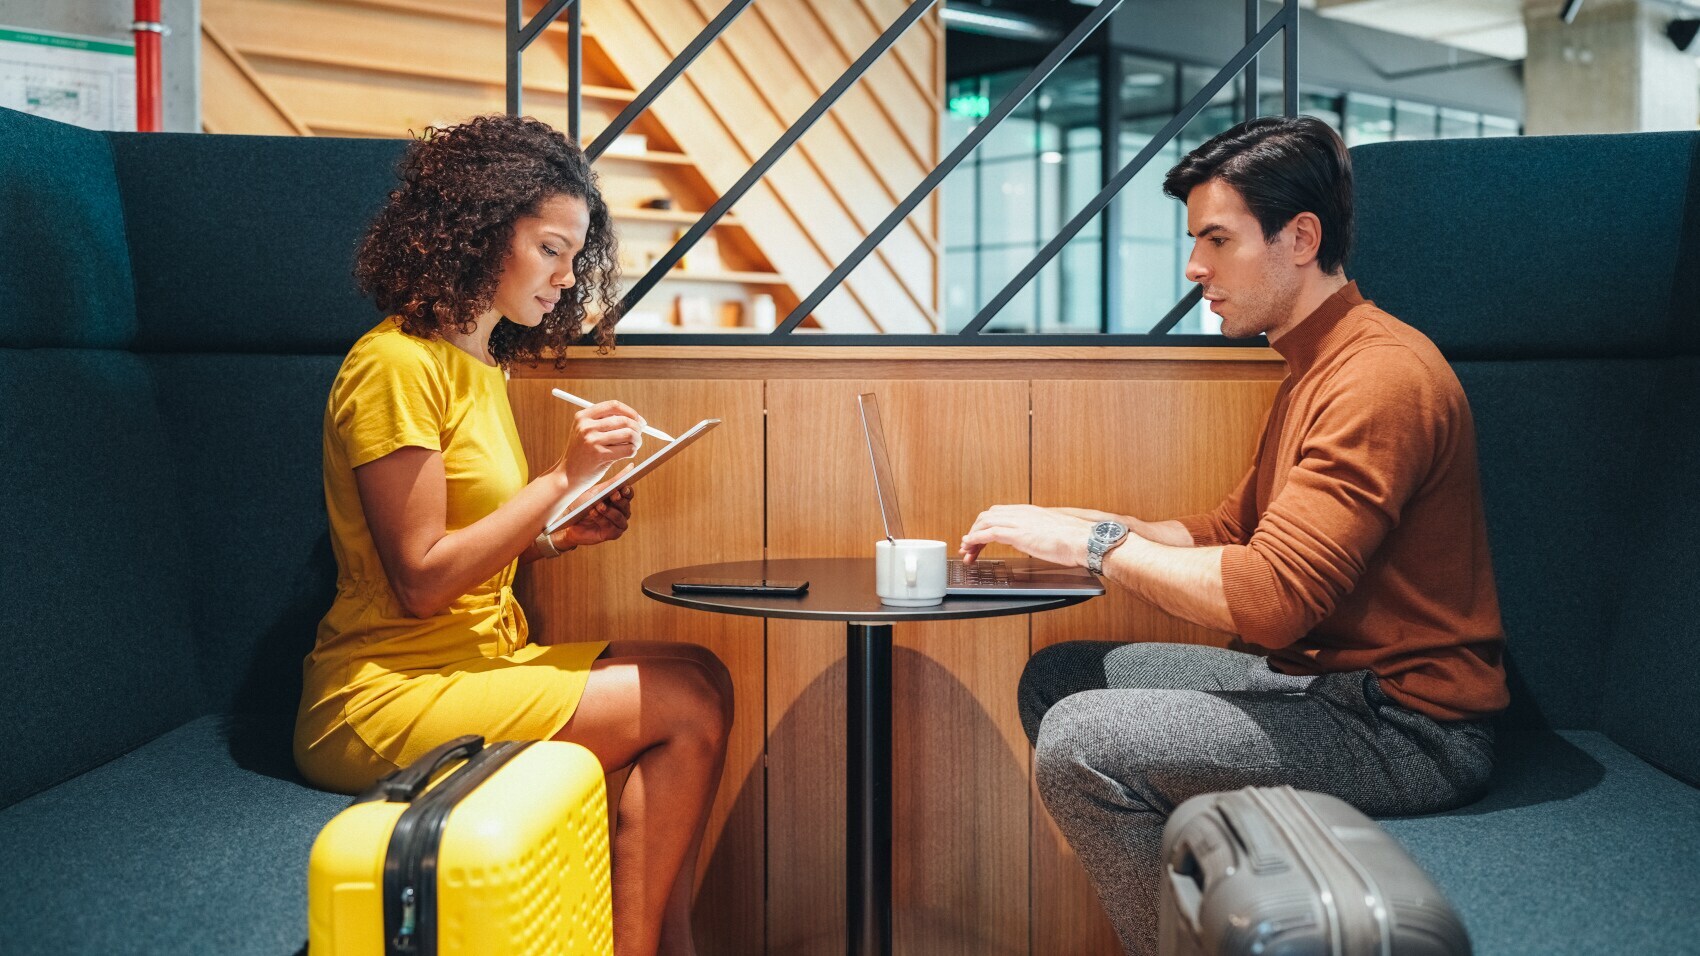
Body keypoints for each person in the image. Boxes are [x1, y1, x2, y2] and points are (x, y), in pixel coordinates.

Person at [958, 115, 1506, 955]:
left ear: (1300, 237)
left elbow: (1270, 600)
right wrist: (1085, 524)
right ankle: (1212, 917)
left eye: (1216, 239)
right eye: (1194, 240)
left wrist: (1094, 551)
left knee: (1083, 740)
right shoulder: (1311, 365)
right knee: (1061, 677)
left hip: (1408, 728)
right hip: (1324, 688)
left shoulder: (1379, 377)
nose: (1194, 268)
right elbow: (1230, 532)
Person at [293, 114, 732, 956]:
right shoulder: (394, 366)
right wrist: (559, 483)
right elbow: (420, 580)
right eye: (550, 250)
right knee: (682, 703)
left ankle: (664, 942)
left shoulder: (481, 360)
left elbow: (471, 537)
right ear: (480, 233)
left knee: (699, 669)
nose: (567, 278)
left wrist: (560, 534)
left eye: (574, 257)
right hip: (383, 691)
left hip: (477, 660)